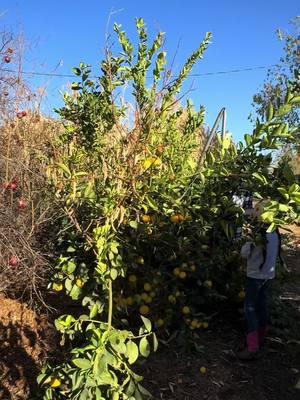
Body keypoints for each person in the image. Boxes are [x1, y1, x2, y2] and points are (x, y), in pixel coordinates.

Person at [237, 200, 279, 360]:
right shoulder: (274, 232)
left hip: (255, 276)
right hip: (268, 275)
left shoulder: (255, 234)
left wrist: (244, 241)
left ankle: (252, 346)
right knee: (262, 306)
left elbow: (244, 253)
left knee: (250, 308)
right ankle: (261, 337)